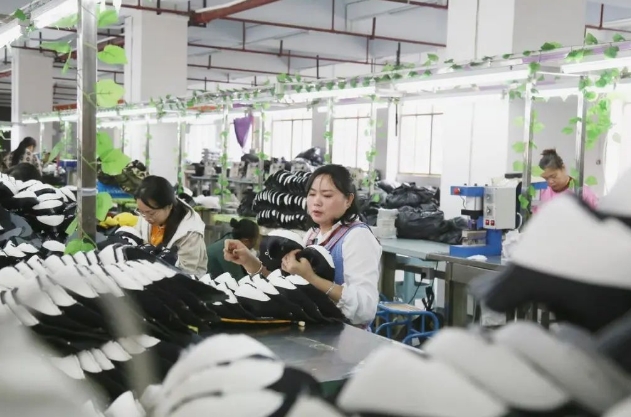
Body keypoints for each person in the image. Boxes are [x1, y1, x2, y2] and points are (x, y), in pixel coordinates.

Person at [223, 165, 381, 326]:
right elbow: (288, 285)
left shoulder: (358, 237)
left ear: (348, 200)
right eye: (312, 194)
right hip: (319, 331)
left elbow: (365, 309)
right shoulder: (312, 235)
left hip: (347, 335)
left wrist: (311, 278)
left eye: (327, 195)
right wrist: (249, 261)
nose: (316, 201)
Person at [134, 175, 208, 276]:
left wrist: (171, 261)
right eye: (141, 212)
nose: (146, 218)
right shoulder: (146, 218)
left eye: (151, 213)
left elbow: (187, 271)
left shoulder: (189, 231)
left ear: (169, 206)